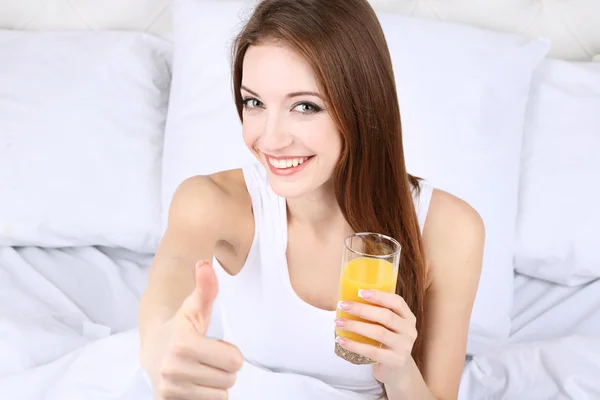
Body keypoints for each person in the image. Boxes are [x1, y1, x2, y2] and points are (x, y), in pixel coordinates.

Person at [138, 0, 485, 399]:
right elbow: (169, 276)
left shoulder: (450, 229)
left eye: (305, 106)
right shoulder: (213, 200)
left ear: (360, 104)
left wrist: (399, 370)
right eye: (254, 102)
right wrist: (159, 346)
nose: (270, 139)